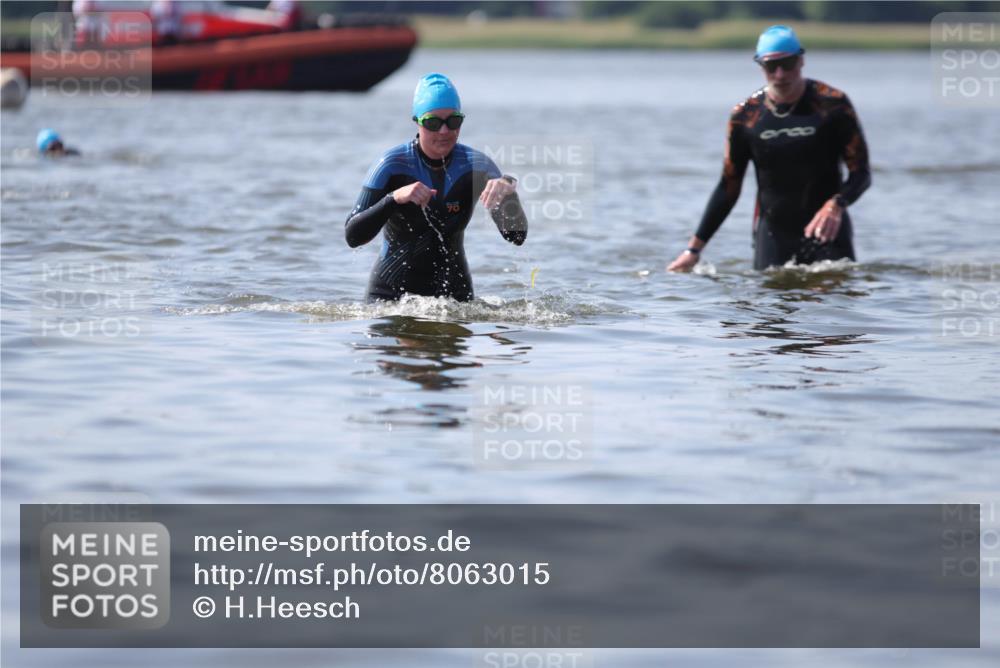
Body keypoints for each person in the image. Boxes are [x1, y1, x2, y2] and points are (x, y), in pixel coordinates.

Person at [667, 25, 871, 272]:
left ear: (802, 60)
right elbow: (728, 186)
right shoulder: (746, 116)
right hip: (773, 235)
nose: (781, 74)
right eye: (771, 66)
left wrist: (837, 204)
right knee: (769, 305)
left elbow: (862, 174)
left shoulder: (833, 106)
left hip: (828, 231)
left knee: (832, 300)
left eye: (788, 63)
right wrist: (694, 250)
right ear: (760, 66)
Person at [345, 73, 528, 302]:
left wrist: (508, 193)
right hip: (390, 298)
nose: (444, 131)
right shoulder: (390, 165)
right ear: (417, 121)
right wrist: (393, 199)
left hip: (455, 298)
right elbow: (353, 236)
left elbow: (516, 236)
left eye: (453, 121)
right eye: (433, 122)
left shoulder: (478, 166)